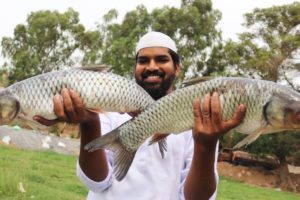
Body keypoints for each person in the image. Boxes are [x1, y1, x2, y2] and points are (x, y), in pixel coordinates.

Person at [34, 31, 246, 200]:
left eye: (161, 59)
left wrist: (206, 145)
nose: (151, 67)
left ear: (177, 68)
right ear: (135, 67)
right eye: (143, 60)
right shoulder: (108, 108)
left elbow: (195, 198)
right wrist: (89, 123)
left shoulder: (201, 120)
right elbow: (97, 182)